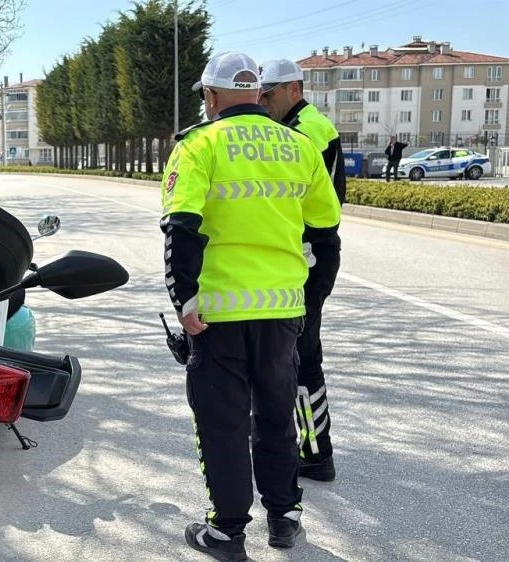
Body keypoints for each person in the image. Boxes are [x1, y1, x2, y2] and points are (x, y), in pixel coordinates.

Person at [162, 52, 341, 561]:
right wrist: (309, 300)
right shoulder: (299, 145)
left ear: (210, 95)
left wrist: (184, 300)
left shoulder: (198, 145)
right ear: (259, 94)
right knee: (277, 418)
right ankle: (285, 518)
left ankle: (227, 532)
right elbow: (326, 235)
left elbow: (181, 228)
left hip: (217, 314)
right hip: (282, 310)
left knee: (222, 424)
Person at [259, 58, 344, 482]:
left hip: (310, 254)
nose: (263, 101)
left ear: (293, 89)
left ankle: (315, 453)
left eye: (269, 93)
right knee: (296, 352)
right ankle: (307, 446)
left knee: (302, 356)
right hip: (308, 252)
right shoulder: (299, 124)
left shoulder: (305, 130)